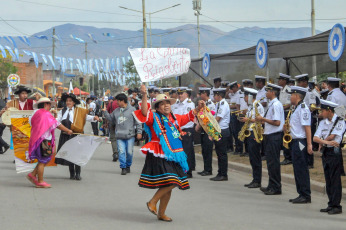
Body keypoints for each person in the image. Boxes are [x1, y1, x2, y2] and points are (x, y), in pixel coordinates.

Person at [133, 84, 203, 222]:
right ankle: (152, 202)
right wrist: (144, 94)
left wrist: (199, 107)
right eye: (162, 104)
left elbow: (189, 116)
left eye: (167, 103)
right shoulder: (154, 117)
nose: (166, 105)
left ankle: (161, 213)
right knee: (173, 180)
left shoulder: (175, 118)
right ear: (157, 107)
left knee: (169, 185)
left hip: (172, 154)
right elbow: (144, 112)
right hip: (159, 152)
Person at [27, 97, 73, 188]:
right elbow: (57, 124)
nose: (50, 107)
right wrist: (68, 130)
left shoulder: (34, 113)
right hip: (44, 140)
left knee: (43, 159)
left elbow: (31, 123)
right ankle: (40, 181)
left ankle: (33, 174)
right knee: (43, 161)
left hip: (36, 139)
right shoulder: (46, 114)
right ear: (45, 104)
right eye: (49, 105)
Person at [55, 94, 100, 180]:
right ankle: (72, 173)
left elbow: (86, 117)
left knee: (77, 154)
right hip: (66, 135)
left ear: (74, 102)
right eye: (67, 101)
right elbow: (57, 121)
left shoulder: (79, 111)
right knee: (69, 154)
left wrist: (94, 117)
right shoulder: (62, 111)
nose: (68, 102)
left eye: (70, 101)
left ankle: (78, 173)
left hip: (77, 135)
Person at [313, 100, 345, 215]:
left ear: (329, 111)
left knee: (335, 179)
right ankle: (331, 203)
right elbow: (315, 138)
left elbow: (333, 136)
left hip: (334, 152)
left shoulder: (340, 121)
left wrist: (322, 141)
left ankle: (337, 205)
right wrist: (323, 142)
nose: (321, 113)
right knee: (328, 179)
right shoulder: (323, 122)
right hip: (326, 151)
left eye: (323, 110)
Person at [256, 83, 284, 195]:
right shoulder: (272, 104)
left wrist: (263, 119)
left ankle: (276, 187)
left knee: (274, 163)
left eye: (267, 91)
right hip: (269, 136)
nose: (266, 93)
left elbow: (277, 123)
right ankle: (271, 185)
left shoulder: (276, 104)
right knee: (270, 163)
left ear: (273, 92)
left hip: (274, 136)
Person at [104, 93, 142, 175]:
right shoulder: (116, 111)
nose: (116, 102)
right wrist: (105, 112)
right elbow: (111, 119)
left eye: (118, 101)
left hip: (130, 136)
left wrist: (139, 132)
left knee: (129, 152)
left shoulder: (133, 110)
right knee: (121, 152)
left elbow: (138, 122)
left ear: (122, 101)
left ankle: (128, 166)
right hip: (119, 136)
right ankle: (123, 167)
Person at [287, 86, 313, 204]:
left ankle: (305, 195)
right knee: (297, 168)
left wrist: (309, 144)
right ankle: (301, 193)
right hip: (295, 141)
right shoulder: (296, 108)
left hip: (301, 142)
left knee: (301, 168)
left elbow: (307, 127)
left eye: (291, 94)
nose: (290, 97)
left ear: (296, 96)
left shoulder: (303, 108)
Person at [241, 87, 264, 188]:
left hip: (255, 133)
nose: (245, 99)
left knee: (255, 158)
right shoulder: (251, 106)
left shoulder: (257, 105)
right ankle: (254, 179)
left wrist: (248, 119)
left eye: (245, 97)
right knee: (252, 157)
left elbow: (261, 120)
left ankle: (257, 180)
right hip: (249, 132)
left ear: (250, 96)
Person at [172, 87, 196, 178]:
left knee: (187, 151)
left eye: (182, 93)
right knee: (179, 151)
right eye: (179, 94)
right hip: (177, 130)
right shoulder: (176, 104)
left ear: (186, 94)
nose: (180, 95)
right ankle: (180, 170)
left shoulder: (190, 104)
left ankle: (188, 171)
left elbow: (187, 118)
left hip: (186, 130)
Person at [326, 77, 346, 176]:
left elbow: (330, 109)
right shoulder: (342, 94)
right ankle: (341, 169)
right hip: (342, 121)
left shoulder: (332, 95)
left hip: (334, 122)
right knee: (337, 145)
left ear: (329, 85)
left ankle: (337, 169)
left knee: (334, 146)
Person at [210, 88, 230, 181]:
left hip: (222, 130)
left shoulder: (223, 104)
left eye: (215, 95)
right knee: (218, 153)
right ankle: (220, 172)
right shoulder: (218, 104)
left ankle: (223, 174)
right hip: (218, 130)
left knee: (222, 153)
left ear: (219, 95)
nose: (214, 97)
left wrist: (210, 127)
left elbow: (218, 118)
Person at [196, 87, 215, 176]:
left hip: (209, 130)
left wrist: (200, 124)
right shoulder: (203, 104)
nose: (200, 96)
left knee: (208, 150)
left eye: (201, 94)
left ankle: (208, 169)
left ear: (205, 94)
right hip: (203, 129)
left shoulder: (210, 104)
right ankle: (206, 168)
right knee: (204, 150)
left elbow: (209, 118)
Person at [278, 73, 293, 166]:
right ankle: (286, 155)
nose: (279, 81)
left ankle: (288, 157)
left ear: (284, 81)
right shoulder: (281, 90)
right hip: (282, 112)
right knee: (283, 134)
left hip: (287, 113)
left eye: (280, 79)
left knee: (286, 134)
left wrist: (279, 108)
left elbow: (289, 104)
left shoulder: (289, 90)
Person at [228, 81, 243, 155]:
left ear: (236, 87)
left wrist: (228, 106)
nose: (231, 90)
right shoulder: (233, 94)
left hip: (236, 114)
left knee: (237, 132)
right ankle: (237, 147)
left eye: (232, 88)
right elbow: (227, 93)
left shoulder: (239, 94)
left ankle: (239, 148)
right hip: (232, 114)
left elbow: (237, 105)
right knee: (234, 132)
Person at [107, 96, 119, 161]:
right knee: (120, 138)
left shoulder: (110, 104)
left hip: (112, 122)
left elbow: (107, 114)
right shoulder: (122, 104)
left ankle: (115, 153)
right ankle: (121, 153)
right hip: (120, 122)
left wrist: (106, 123)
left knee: (113, 138)